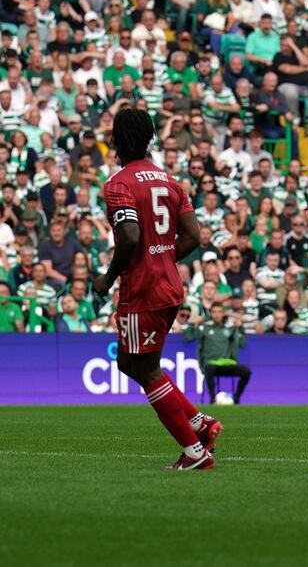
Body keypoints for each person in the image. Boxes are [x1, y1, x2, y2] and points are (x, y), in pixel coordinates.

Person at [92, 107, 220, 472]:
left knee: (144, 369)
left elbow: (130, 237)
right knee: (129, 362)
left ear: (118, 140)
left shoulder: (119, 184)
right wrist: (162, 255)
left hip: (143, 288)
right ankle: (200, 423)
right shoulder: (169, 180)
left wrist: (108, 277)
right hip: (169, 284)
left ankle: (195, 452)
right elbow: (194, 237)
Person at [191, 302, 252, 404]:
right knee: (209, 368)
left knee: (246, 371)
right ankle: (213, 399)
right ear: (210, 313)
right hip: (211, 365)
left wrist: (240, 328)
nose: (217, 315)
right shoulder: (204, 328)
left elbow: (242, 343)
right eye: (214, 312)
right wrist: (193, 324)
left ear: (224, 313)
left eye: (219, 312)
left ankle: (236, 398)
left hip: (227, 364)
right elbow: (188, 337)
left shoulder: (230, 328)